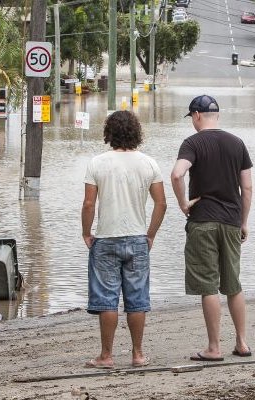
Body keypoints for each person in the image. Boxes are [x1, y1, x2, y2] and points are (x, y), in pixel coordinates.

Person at [82, 110, 167, 369]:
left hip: (106, 239)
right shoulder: (149, 164)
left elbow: (88, 204)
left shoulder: (97, 163)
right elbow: (161, 204)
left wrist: (86, 233)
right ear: (136, 132)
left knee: (107, 299)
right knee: (137, 298)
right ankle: (138, 354)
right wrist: (150, 235)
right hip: (138, 238)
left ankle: (106, 356)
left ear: (109, 133)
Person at [171, 95, 253, 361]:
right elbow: (247, 188)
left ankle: (214, 348)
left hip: (203, 221)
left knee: (208, 286)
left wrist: (183, 203)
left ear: (196, 115)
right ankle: (242, 343)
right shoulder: (237, 143)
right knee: (233, 285)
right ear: (216, 114)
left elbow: (176, 174)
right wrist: (243, 221)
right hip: (231, 222)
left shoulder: (192, 143)